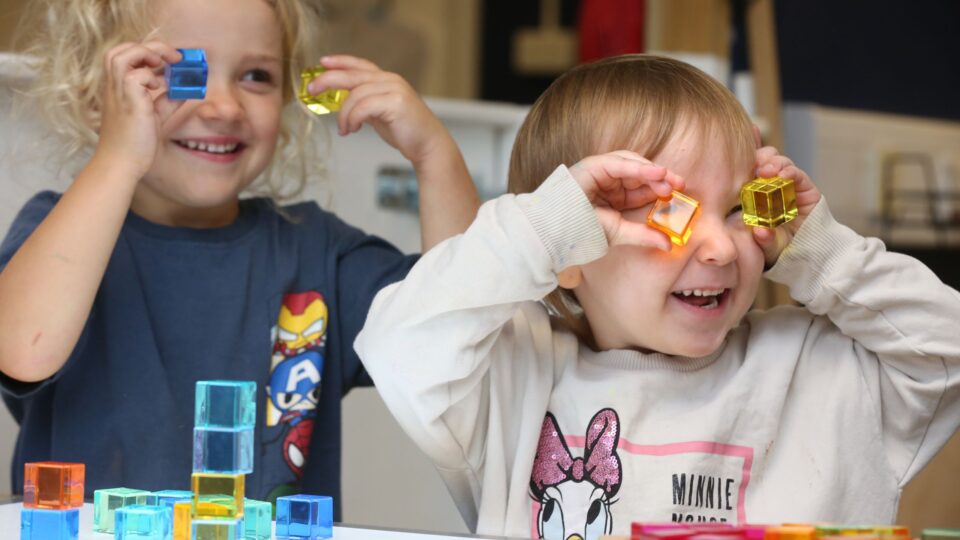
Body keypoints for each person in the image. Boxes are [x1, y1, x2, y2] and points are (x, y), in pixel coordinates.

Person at [355, 54, 960, 536]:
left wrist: (823, 251)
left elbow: (947, 346)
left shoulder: (822, 372)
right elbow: (398, 346)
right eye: (672, 214)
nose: (721, 249)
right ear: (574, 250)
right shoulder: (515, 381)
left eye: (736, 210)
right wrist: (545, 230)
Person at [0, 0, 479, 511]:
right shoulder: (62, 233)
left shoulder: (317, 253)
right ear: (96, 97)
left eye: (255, 76)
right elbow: (23, 348)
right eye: (182, 73)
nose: (224, 107)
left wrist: (434, 156)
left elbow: (465, 336)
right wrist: (119, 157)